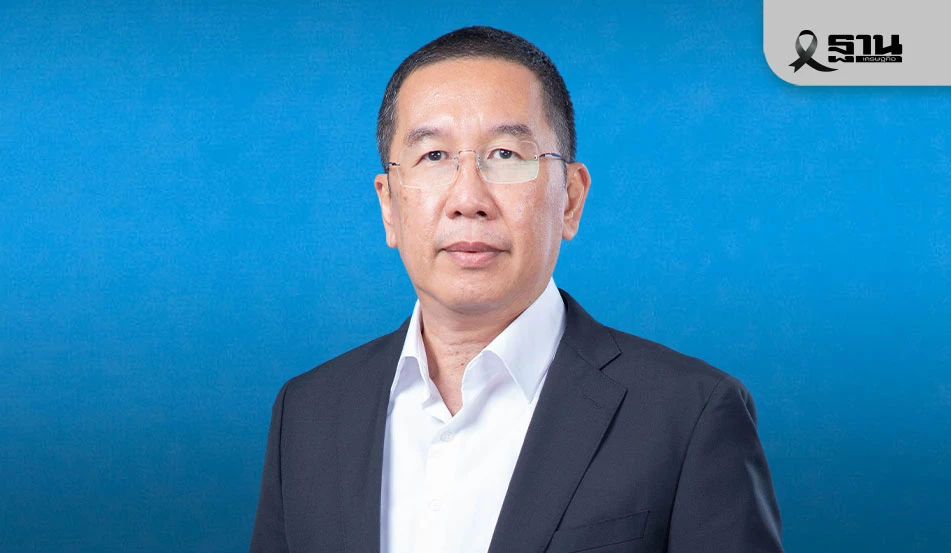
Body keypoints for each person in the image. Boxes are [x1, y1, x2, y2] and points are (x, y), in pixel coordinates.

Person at [250, 26, 783, 553]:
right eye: (433, 157)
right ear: (388, 205)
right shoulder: (308, 413)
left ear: (570, 199)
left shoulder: (689, 414)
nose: (468, 200)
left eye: (506, 155)